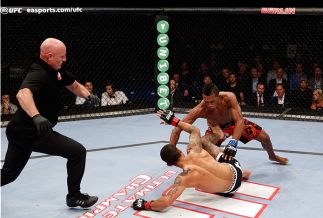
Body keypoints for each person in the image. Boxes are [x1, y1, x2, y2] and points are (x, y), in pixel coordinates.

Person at [0, 38, 99, 208]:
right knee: (77, 152)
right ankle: (74, 196)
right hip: (32, 132)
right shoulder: (38, 73)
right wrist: (36, 116)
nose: (65, 59)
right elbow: (22, 95)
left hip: (18, 131)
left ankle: (74, 195)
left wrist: (87, 95)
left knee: (9, 175)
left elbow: (74, 85)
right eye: (62, 56)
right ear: (49, 56)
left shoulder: (56, 70)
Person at [131, 110, 251, 211]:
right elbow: (194, 130)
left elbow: (166, 203)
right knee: (204, 142)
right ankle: (243, 171)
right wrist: (174, 121)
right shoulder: (194, 149)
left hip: (231, 189)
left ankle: (242, 174)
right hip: (236, 168)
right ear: (180, 151)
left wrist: (146, 205)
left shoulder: (182, 179)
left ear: (169, 164)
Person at [168, 82, 289, 164]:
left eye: (212, 101)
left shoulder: (228, 98)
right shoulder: (200, 109)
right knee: (205, 159)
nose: (209, 105)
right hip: (216, 129)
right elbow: (177, 128)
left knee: (266, 138)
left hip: (234, 124)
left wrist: (233, 143)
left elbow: (239, 121)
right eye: (206, 101)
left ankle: (272, 156)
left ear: (218, 96)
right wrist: (171, 151)